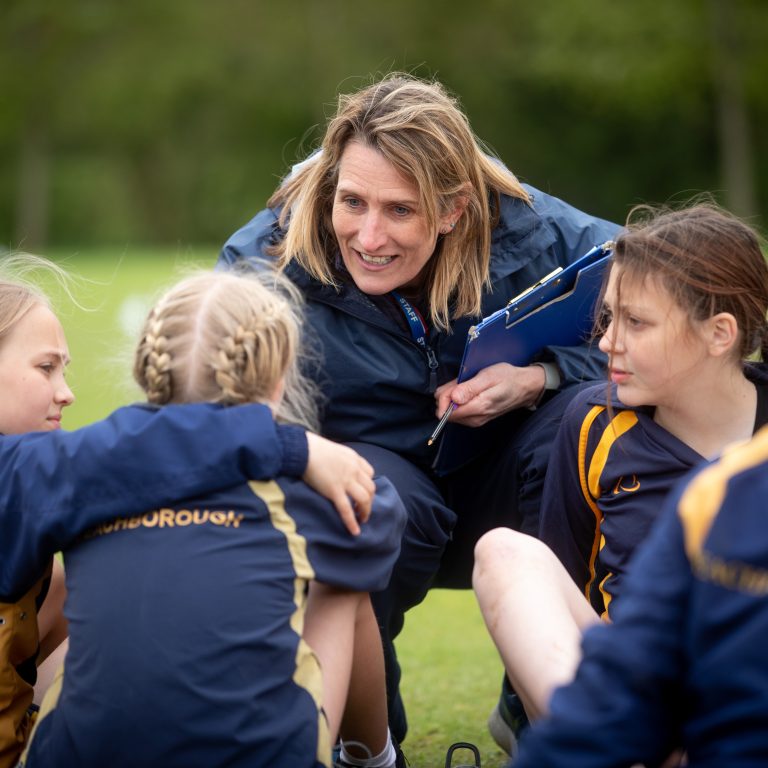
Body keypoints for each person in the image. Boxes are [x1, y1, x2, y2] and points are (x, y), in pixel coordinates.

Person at [218, 72, 619, 739]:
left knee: (586, 425)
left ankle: (545, 711)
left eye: (400, 210)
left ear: (454, 209)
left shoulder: (533, 232)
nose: (369, 236)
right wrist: (308, 455)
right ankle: (368, 744)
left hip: (511, 483)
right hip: (379, 489)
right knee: (364, 498)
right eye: (352, 202)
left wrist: (541, 378)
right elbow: (211, 411)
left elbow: (676, 318)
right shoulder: (264, 263)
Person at [0, 255, 378, 768]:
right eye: (46, 367)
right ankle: (376, 757)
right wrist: (290, 445)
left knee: (74, 589)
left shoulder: (43, 476)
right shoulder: (24, 472)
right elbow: (115, 453)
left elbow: (117, 454)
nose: (67, 393)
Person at [472, 202, 768, 758]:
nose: (607, 341)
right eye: (609, 318)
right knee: (504, 553)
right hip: (632, 706)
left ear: (719, 333)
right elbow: (566, 585)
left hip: (738, 702)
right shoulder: (593, 424)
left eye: (637, 322)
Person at [514, 423, 768, 767]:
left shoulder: (725, 483)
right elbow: (635, 669)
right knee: (504, 551)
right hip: (652, 706)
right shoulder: (719, 489)